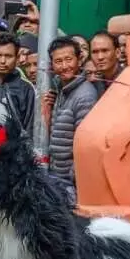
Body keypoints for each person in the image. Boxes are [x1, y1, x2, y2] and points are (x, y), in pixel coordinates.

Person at [42, 37, 99, 201]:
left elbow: (85, 144)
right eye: (58, 61)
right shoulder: (60, 90)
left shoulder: (85, 95)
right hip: (58, 177)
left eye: (69, 59)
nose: (64, 66)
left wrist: (74, 178)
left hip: (71, 183)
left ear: (79, 60)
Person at [0, 32, 36, 132]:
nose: (2, 61)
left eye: (8, 56)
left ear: (17, 58)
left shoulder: (26, 89)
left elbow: (29, 128)